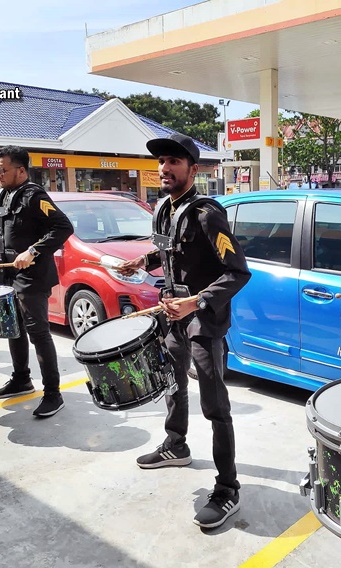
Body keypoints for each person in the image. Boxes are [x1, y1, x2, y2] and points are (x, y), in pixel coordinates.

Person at [117, 133, 251, 529]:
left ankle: (228, 488)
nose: (165, 168)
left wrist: (196, 302)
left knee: (216, 406)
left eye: (174, 162)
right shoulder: (163, 209)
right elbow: (170, 249)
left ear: (193, 170)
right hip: (171, 315)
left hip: (203, 320)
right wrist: (143, 259)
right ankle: (176, 444)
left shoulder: (208, 213)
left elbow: (238, 272)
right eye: (161, 162)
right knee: (172, 385)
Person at [0, 146, 73, 418]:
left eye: (2, 169)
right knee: (12, 328)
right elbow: (11, 224)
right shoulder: (4, 194)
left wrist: (33, 251)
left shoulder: (34, 195)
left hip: (31, 276)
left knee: (38, 333)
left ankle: (53, 393)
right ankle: (21, 379)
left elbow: (63, 227)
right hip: (7, 274)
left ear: (21, 170)